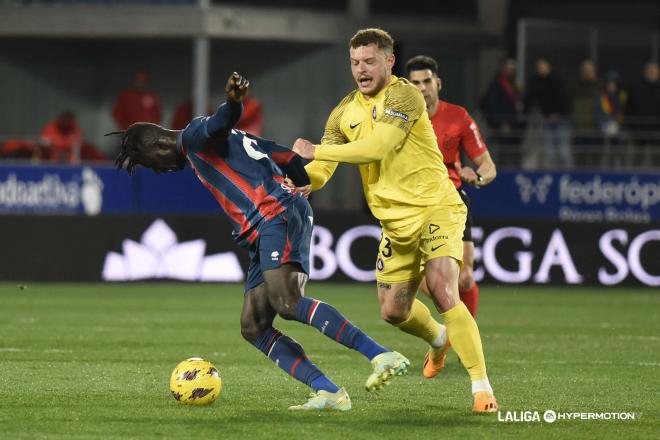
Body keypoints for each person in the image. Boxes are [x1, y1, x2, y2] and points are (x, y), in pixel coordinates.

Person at [110, 72, 409, 412]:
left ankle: (380, 354)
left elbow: (220, 121)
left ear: (158, 145)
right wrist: (299, 192)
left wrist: (234, 102)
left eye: (152, 164)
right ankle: (328, 392)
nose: (160, 170)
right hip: (269, 222)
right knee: (253, 326)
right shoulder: (233, 142)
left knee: (288, 301)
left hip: (273, 215)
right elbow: (287, 158)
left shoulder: (193, 136)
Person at [293, 28, 498, 413]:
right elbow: (324, 165)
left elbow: (378, 146)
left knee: (442, 287)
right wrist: (306, 180)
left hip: (437, 207)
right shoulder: (344, 112)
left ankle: (482, 390)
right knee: (392, 311)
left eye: (369, 61)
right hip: (396, 225)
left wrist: (315, 149)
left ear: (389, 61)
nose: (361, 70)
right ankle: (439, 340)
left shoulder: (404, 94)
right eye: (355, 63)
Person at [405, 55, 496, 320]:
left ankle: (460, 339)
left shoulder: (458, 117)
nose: (421, 88)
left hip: (451, 201)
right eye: (415, 83)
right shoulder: (399, 120)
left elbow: (488, 166)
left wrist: (477, 178)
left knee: (465, 279)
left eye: (426, 81)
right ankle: (453, 329)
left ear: (438, 83)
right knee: (423, 282)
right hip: (412, 203)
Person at [524, 58, 573, 169]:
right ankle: (554, 174)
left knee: (563, 150)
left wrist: (558, 113)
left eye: (543, 65)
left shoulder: (557, 79)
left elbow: (564, 99)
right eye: (539, 66)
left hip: (561, 120)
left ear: (549, 66)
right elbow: (529, 98)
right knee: (550, 152)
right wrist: (524, 111)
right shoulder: (536, 81)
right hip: (546, 120)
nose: (541, 68)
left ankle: (568, 174)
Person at [479, 57, 524, 166]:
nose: (511, 71)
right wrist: (500, 123)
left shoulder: (515, 85)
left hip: (513, 126)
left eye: (513, 69)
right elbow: (491, 105)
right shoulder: (497, 84)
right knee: (497, 151)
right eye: (509, 68)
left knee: (511, 151)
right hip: (499, 124)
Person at [570, 59, 601, 167]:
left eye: (589, 70)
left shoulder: (600, 88)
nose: (587, 72)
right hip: (578, 129)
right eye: (585, 70)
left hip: (595, 129)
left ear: (594, 71)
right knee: (579, 159)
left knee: (595, 159)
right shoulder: (575, 87)